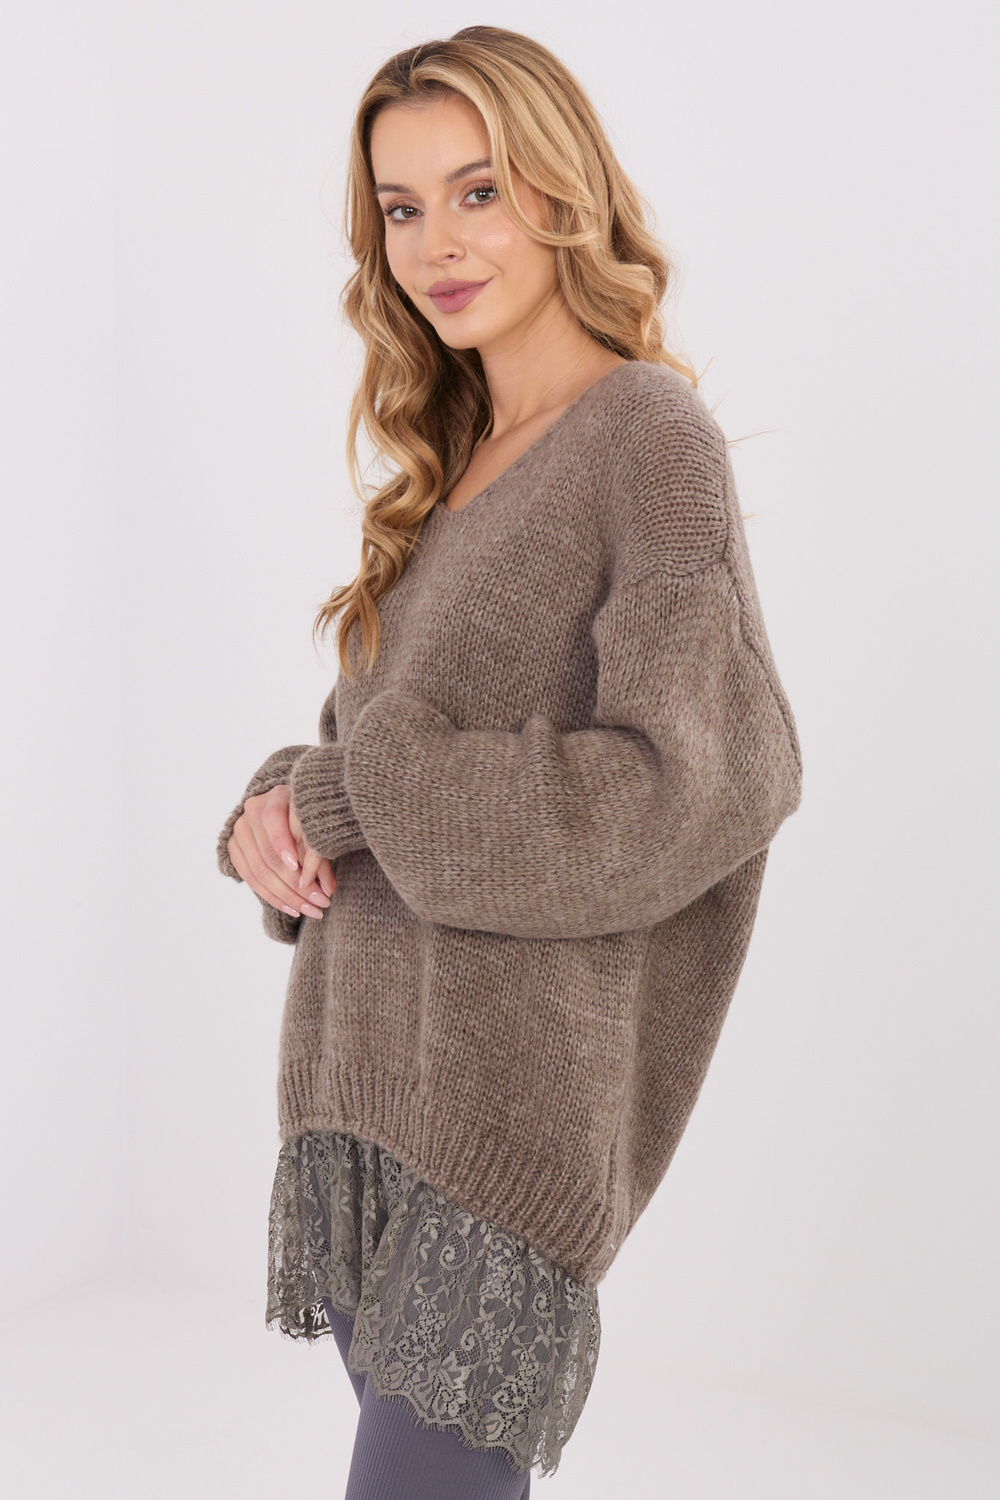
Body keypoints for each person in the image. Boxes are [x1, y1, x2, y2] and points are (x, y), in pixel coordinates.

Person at [216, 24, 803, 1500]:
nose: (437, 243)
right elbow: (374, 755)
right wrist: (272, 814)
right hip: (365, 1087)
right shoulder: (451, 457)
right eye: (401, 208)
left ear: (562, 188)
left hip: (504, 1125)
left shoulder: (647, 438)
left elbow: (694, 783)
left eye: (477, 190)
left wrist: (345, 795)